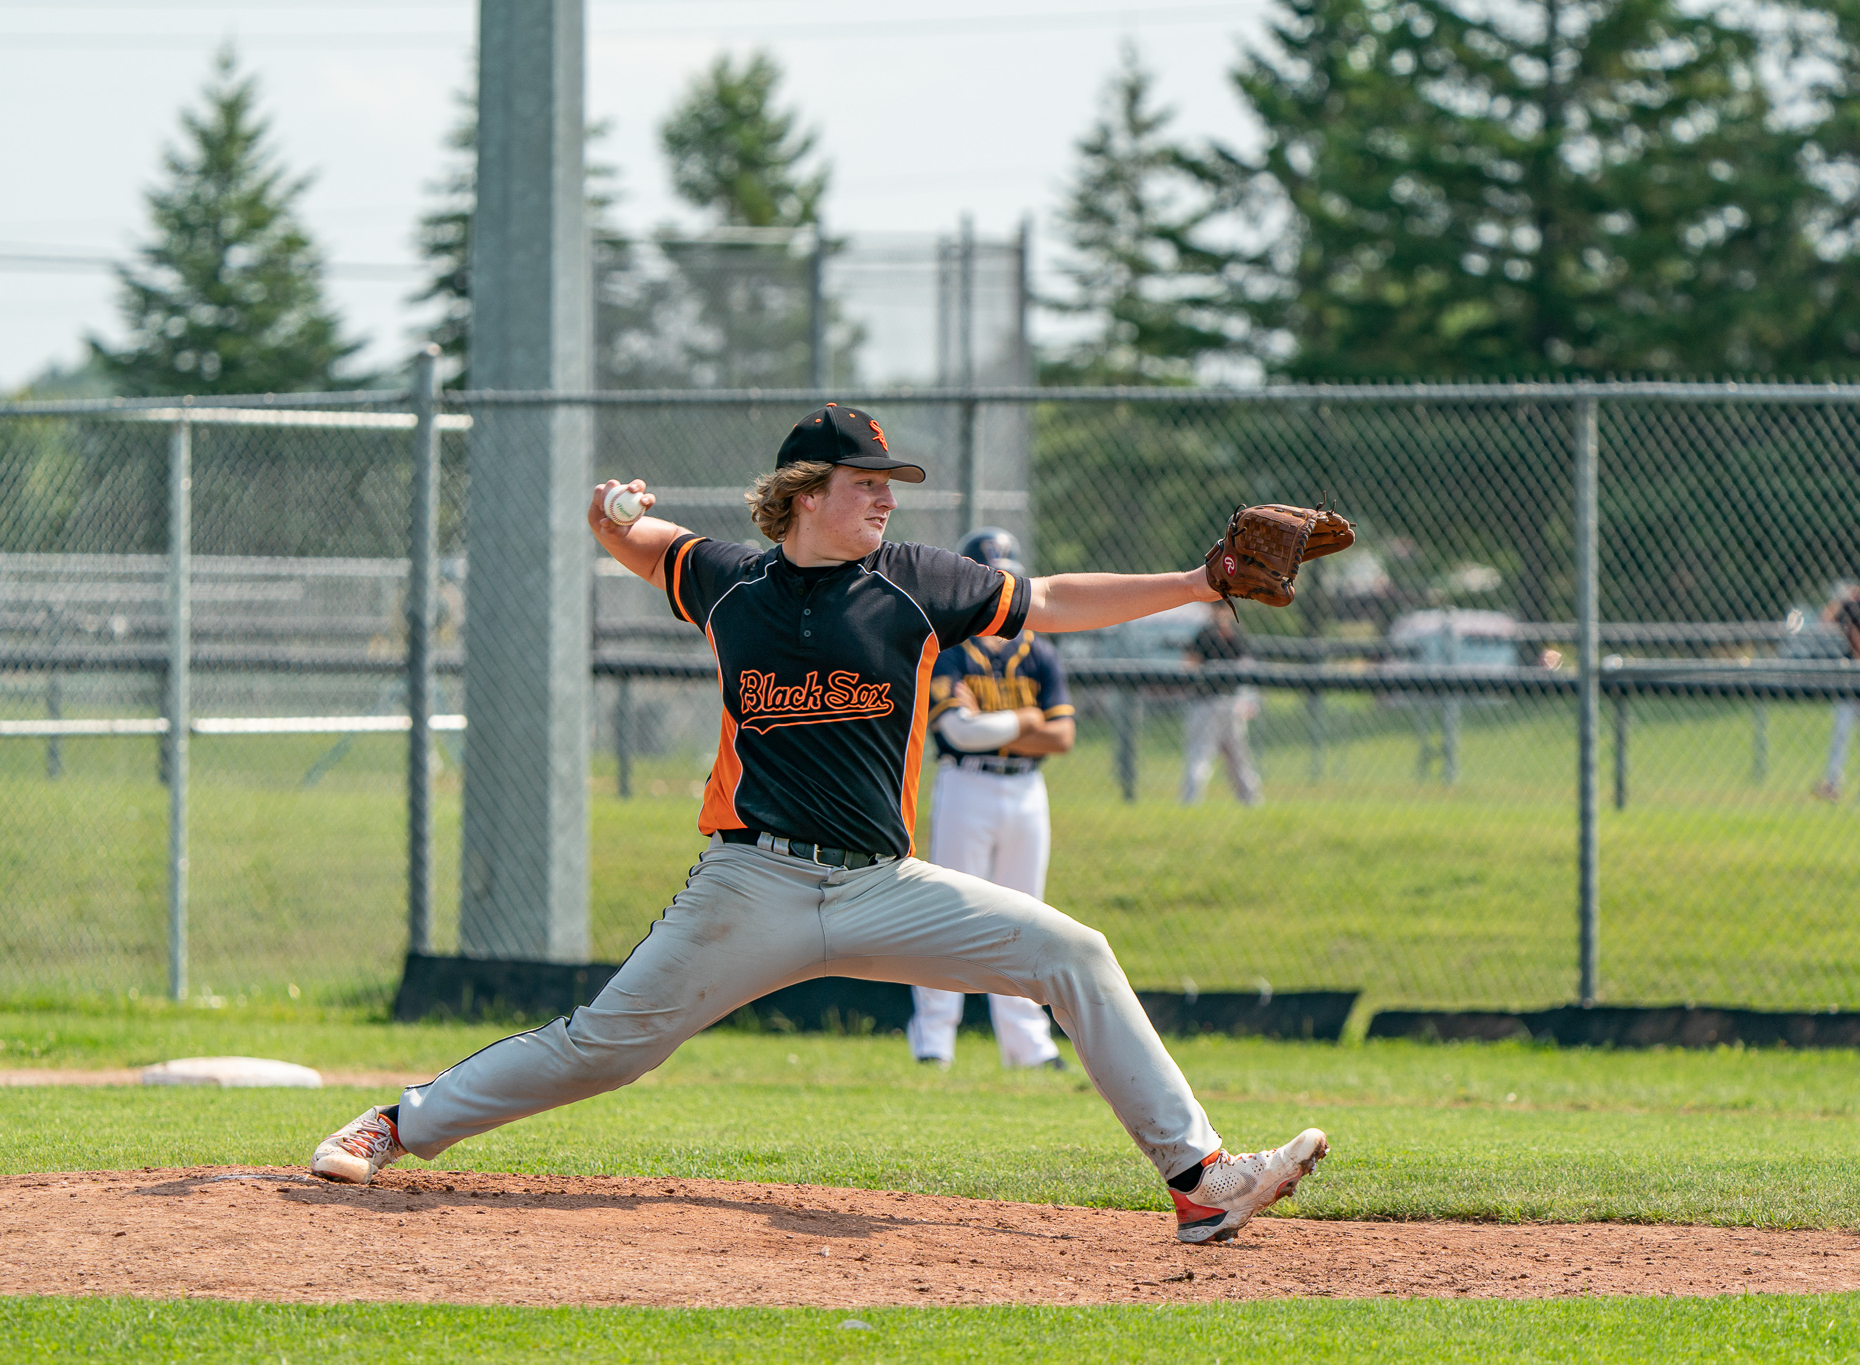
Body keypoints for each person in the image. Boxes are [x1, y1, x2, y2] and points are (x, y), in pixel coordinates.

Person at [310, 403, 1327, 1245]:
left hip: (883, 885)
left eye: (890, 483)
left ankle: (1200, 1181)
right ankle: (395, 1123)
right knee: (604, 1050)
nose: (886, 497)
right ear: (804, 493)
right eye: (865, 481)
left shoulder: (916, 582)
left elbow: (1052, 599)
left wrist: (1201, 582)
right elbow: (640, 543)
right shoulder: (729, 583)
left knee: (1073, 951)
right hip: (750, 884)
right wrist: (610, 514)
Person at [908, 527, 1077, 1071]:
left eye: (1006, 577)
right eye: (987, 578)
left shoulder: (1039, 652)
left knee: (1026, 915)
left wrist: (996, 725)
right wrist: (1026, 720)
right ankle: (934, 1039)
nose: (998, 588)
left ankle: (1027, 1045)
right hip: (967, 785)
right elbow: (958, 734)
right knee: (950, 912)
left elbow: (1062, 737)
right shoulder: (949, 650)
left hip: (1026, 789)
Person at [1183, 602, 1263, 806]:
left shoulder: (1217, 634)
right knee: (1228, 758)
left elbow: (1189, 665)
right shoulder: (1221, 633)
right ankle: (1250, 802)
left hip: (1216, 703)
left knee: (1213, 756)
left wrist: (1247, 700)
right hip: (1221, 702)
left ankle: (1191, 802)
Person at [1815, 585, 1860, 802]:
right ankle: (1833, 783)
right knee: (1840, 733)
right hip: (1850, 684)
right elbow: (1824, 620)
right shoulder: (1851, 606)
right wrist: (1842, 599)